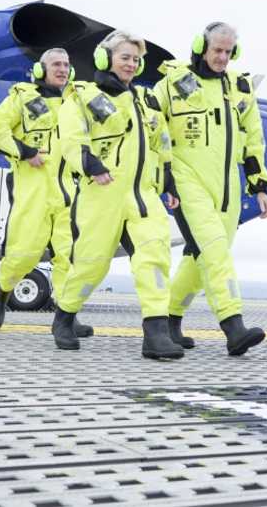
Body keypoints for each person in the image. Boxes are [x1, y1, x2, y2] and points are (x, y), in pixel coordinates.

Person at [53, 30, 184, 359]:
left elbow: (162, 141)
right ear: (105, 58)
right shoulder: (83, 96)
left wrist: (168, 180)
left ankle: (156, 333)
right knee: (92, 265)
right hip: (103, 192)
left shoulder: (145, 100)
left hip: (143, 195)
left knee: (155, 256)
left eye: (136, 60)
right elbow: (70, 137)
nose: (131, 64)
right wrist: (90, 164)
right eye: (125, 57)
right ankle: (64, 316)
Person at [157, 22, 267, 356]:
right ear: (201, 47)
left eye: (228, 51)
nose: (222, 57)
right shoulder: (173, 84)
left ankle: (169, 318)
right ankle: (233, 325)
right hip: (187, 179)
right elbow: (153, 128)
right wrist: (163, 176)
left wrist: (259, 186)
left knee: (200, 257)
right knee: (215, 251)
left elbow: (254, 140)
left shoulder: (240, 88)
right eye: (216, 50)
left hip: (228, 188)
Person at [0, 48, 92, 338]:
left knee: (68, 254)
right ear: (41, 69)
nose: (63, 69)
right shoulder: (22, 97)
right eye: (56, 64)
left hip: (68, 190)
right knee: (24, 253)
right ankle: (3, 291)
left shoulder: (76, 103)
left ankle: (67, 315)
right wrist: (24, 150)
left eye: (67, 65)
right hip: (33, 191)